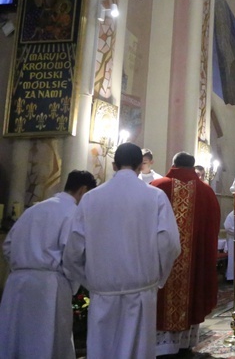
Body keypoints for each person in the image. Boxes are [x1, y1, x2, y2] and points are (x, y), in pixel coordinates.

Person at [63, 143, 181, 358]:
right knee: (138, 350)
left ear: (114, 165)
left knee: (103, 348)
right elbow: (170, 243)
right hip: (141, 290)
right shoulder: (154, 196)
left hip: (103, 291)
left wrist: (89, 281)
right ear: (140, 166)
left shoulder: (90, 198)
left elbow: (73, 249)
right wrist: (158, 277)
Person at [0, 170, 97, 359]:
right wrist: (77, 281)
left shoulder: (33, 210)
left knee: (15, 338)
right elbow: (71, 254)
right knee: (45, 341)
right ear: (83, 190)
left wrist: (23, 266)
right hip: (48, 286)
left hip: (17, 283)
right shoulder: (72, 213)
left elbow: (8, 247)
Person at [151, 152, 221, 356]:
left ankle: (161, 345)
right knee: (190, 295)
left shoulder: (157, 187)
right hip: (192, 267)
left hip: (162, 263)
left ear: (173, 164)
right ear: (193, 167)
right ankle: (184, 343)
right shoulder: (207, 192)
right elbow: (212, 231)